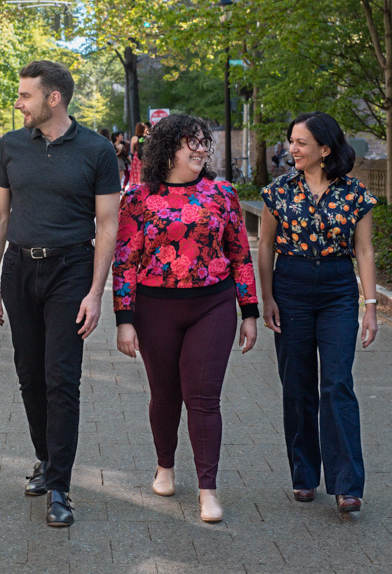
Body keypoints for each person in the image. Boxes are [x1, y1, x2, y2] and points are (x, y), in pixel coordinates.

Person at [0, 60, 120, 527]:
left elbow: (107, 225)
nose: (18, 103)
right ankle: (45, 459)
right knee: (29, 375)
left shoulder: (98, 150)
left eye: (25, 95)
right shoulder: (11, 145)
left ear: (53, 98)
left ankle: (60, 486)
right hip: (20, 268)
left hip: (71, 269)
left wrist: (96, 292)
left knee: (62, 377)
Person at [112, 114, 259, 523]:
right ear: (167, 149)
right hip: (154, 308)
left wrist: (250, 311)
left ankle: (207, 490)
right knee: (165, 395)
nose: (199, 149)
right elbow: (123, 260)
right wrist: (124, 318)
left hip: (213, 305)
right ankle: (164, 465)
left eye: (203, 142)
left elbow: (240, 254)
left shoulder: (222, 193)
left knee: (203, 397)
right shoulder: (139, 198)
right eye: (189, 142)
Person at [258, 111, 379, 515]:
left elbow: (363, 251)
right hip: (290, 287)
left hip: (337, 289)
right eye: (291, 141)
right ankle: (304, 475)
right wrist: (267, 297)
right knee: (297, 385)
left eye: (301, 142)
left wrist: (371, 307)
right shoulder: (277, 192)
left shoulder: (355, 194)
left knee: (337, 384)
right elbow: (265, 247)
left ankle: (347, 485)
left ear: (325, 149)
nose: (292, 148)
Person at [128, 121, 147, 188]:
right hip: (145, 158)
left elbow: (131, 151)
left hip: (137, 158)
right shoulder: (147, 138)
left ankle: (136, 187)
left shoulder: (134, 138)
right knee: (144, 173)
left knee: (136, 173)